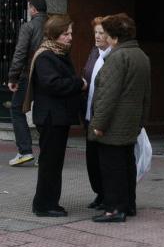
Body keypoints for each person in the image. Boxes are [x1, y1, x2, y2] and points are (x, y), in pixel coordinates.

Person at [89, 13, 151, 223]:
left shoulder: (117, 57)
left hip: (114, 124)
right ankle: (128, 205)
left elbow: (108, 94)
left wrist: (98, 124)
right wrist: (141, 121)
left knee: (112, 167)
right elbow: (146, 95)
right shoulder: (140, 55)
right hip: (131, 123)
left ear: (114, 36)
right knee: (127, 164)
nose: (103, 37)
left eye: (105, 33)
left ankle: (114, 209)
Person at [26, 14, 87, 217]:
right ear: (54, 34)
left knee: (54, 162)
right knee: (50, 163)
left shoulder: (58, 53)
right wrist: (79, 84)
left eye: (70, 33)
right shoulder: (45, 56)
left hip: (58, 117)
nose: (70, 37)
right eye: (65, 33)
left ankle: (50, 201)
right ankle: (44, 205)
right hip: (51, 118)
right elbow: (52, 84)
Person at [6, 0, 47, 166]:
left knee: (16, 109)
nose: (29, 10)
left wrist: (13, 77)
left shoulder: (28, 27)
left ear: (33, 9)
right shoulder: (53, 25)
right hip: (48, 75)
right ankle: (46, 154)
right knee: (44, 112)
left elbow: (20, 53)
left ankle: (25, 151)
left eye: (29, 7)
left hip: (28, 76)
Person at [82, 17, 111, 210]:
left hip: (103, 118)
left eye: (102, 33)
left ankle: (107, 195)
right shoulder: (94, 53)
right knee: (92, 161)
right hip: (88, 116)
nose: (98, 36)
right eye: (96, 33)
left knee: (105, 161)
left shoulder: (114, 55)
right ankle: (99, 194)